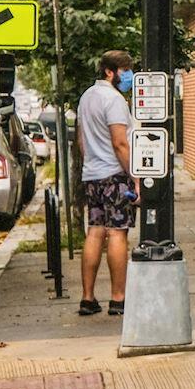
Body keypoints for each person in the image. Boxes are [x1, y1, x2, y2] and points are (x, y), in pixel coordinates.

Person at [76, 49, 138, 317]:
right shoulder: (113, 100)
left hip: (92, 174)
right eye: (125, 72)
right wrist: (135, 178)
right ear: (109, 72)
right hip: (115, 174)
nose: (129, 77)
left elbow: (81, 139)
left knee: (95, 231)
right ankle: (118, 298)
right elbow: (120, 142)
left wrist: (91, 161)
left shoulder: (86, 98)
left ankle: (88, 298)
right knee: (117, 231)